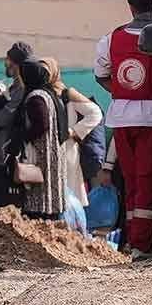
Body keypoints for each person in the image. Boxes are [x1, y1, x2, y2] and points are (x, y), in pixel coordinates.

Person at [94, 0, 152, 261]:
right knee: (148, 181)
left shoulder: (111, 39)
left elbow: (101, 74)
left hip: (121, 119)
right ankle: (140, 244)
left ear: (130, 7)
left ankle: (133, 240)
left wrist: (123, 92)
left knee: (132, 182)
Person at [39, 56, 103, 207]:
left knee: (67, 198)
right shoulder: (39, 94)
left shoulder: (67, 93)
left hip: (66, 150)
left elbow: (95, 112)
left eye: (46, 71)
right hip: (45, 150)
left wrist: (73, 131)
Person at [0, 42, 33, 207]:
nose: (5, 64)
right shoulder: (13, 87)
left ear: (15, 63)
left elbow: (2, 119)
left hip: (12, 159)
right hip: (0, 158)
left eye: (8, 60)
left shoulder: (22, 90)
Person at [13, 59, 68, 220]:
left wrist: (23, 138)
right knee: (50, 196)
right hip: (54, 153)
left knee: (40, 196)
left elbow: (41, 124)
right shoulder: (50, 93)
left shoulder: (35, 97)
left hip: (42, 154)